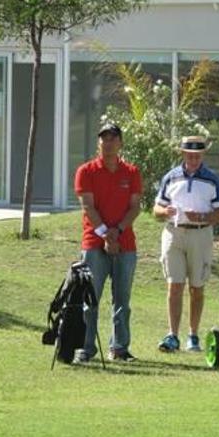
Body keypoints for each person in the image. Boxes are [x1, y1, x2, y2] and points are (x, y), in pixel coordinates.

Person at [73, 123, 142, 363]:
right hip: (94, 243)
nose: (108, 142)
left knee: (122, 300)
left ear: (120, 143)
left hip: (125, 244)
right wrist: (105, 235)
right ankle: (86, 347)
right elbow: (88, 206)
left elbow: (135, 207)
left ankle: (120, 348)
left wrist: (117, 231)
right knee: (89, 299)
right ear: (98, 143)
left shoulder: (131, 172)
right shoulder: (86, 171)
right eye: (104, 138)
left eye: (113, 138)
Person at [152, 135, 219, 352]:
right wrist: (165, 211)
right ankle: (172, 335)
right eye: (189, 155)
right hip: (173, 233)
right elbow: (156, 210)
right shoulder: (171, 177)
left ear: (203, 155)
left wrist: (202, 217)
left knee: (197, 287)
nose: (193, 159)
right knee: (174, 285)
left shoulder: (212, 180)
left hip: (200, 235)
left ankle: (192, 335)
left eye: (197, 155)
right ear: (183, 154)